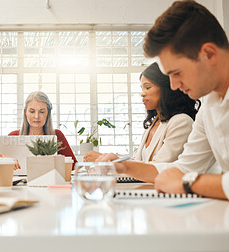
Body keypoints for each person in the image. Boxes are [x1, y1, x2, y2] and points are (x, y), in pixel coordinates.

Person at [97, 0, 229, 200]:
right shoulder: (208, 106)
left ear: (209, 54)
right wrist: (125, 167)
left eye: (177, 73)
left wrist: (188, 183)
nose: (174, 86)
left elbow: (183, 178)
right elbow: (183, 168)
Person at [84, 62, 199, 163]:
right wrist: (107, 158)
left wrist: (113, 162)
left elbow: (159, 166)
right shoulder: (154, 123)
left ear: (167, 88)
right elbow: (137, 162)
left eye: (148, 87)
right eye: (142, 89)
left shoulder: (181, 122)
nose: (142, 94)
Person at [9, 91, 77, 166]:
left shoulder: (57, 135)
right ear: (25, 112)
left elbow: (74, 166)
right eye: (32, 111)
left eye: (41, 112)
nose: (36, 116)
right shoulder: (13, 136)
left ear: (48, 113)